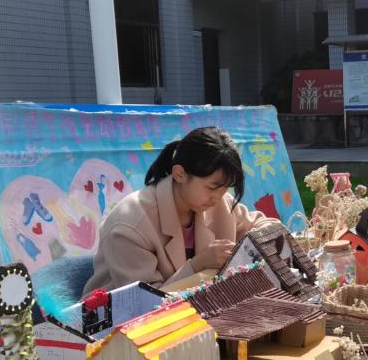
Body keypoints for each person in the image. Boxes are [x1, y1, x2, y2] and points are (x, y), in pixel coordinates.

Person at [83, 126, 280, 295]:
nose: (218, 197)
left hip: (200, 311)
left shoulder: (218, 201)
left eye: (225, 189)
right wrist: (197, 265)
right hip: (120, 322)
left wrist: (255, 244)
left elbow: (265, 225)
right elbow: (146, 303)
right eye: (212, 187)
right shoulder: (130, 225)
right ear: (179, 174)